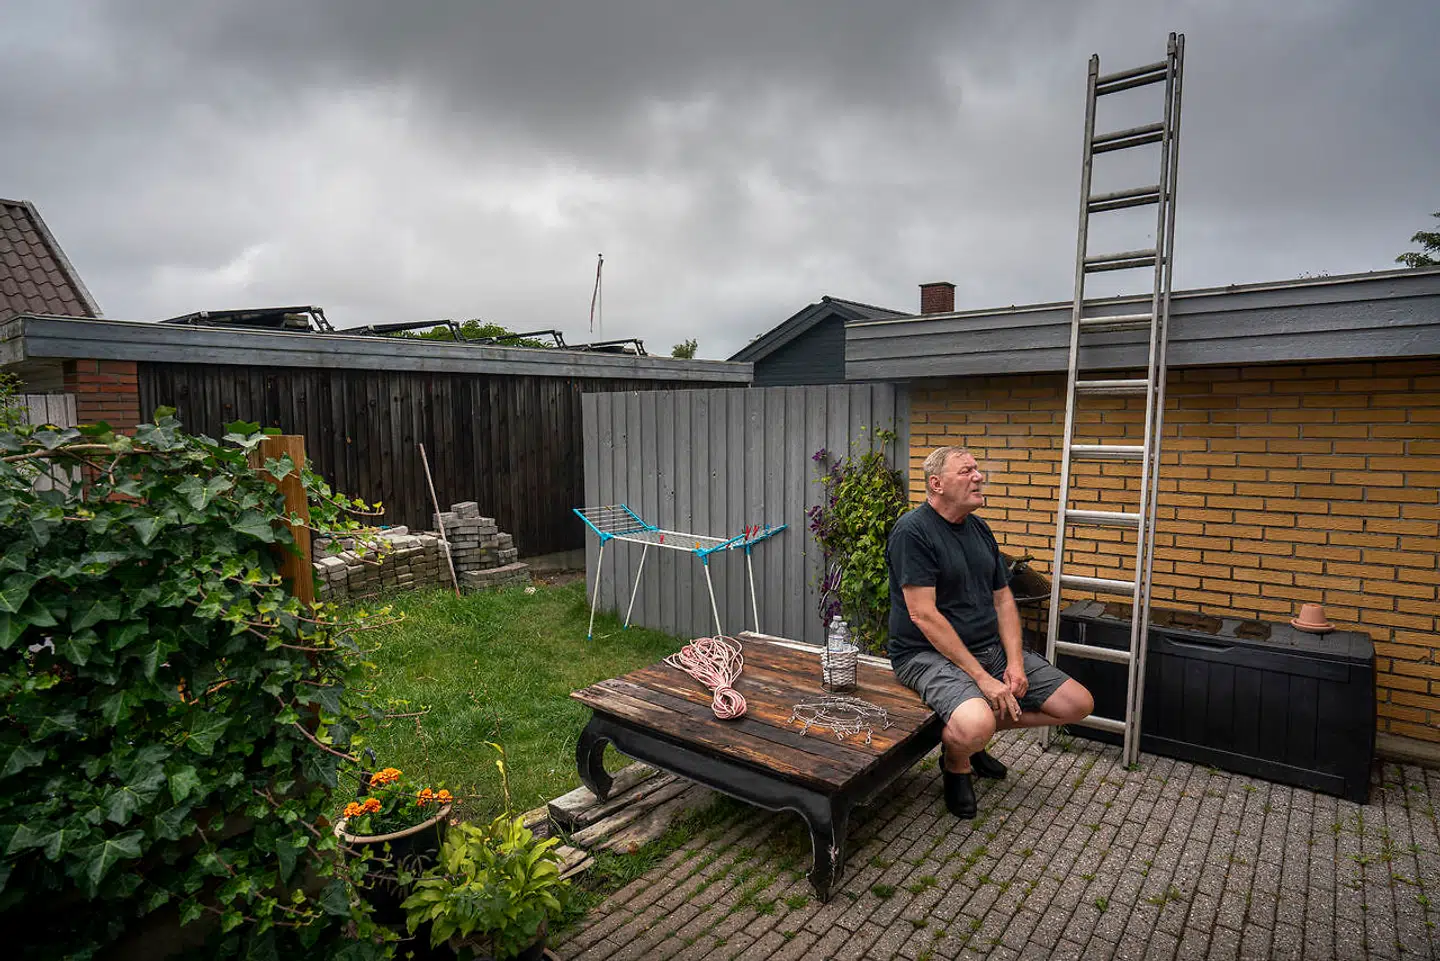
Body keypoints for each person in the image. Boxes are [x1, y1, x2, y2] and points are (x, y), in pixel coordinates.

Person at [887, 445, 1094, 818]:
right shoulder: (912, 532)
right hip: (924, 654)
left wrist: (1014, 662)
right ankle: (957, 762)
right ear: (936, 484)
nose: (979, 477)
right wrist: (983, 679)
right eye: (966, 471)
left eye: (977, 469)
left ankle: (971, 736)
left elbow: (1003, 600)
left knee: (1077, 704)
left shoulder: (980, 529)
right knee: (975, 723)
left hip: (988, 648)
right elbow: (923, 615)